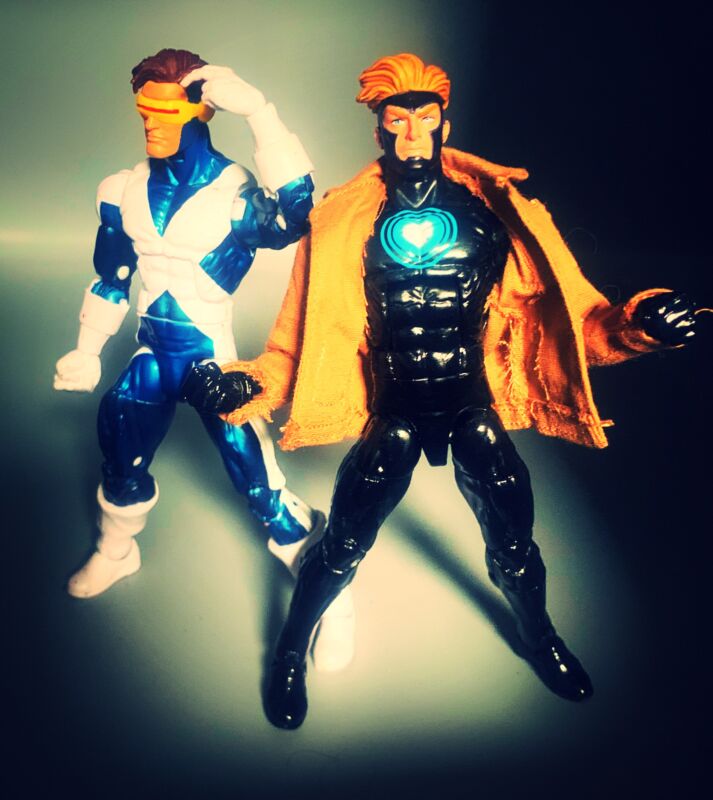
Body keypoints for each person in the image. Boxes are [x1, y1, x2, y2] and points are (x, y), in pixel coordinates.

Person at [183, 53, 697, 728]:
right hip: (392, 410)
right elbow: (292, 347)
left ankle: (540, 637)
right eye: (396, 122)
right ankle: (288, 650)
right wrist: (242, 385)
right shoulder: (343, 222)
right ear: (378, 129)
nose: (411, 136)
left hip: (470, 404)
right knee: (340, 546)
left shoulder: (497, 212)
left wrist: (641, 325)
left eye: (424, 120)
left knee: (514, 544)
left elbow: (578, 324)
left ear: (444, 124)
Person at [54, 48, 354, 671]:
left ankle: (322, 580)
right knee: (118, 440)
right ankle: (117, 550)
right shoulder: (122, 189)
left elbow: (300, 215)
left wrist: (261, 114)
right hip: (151, 355)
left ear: (201, 110)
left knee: (256, 478)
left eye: (167, 112)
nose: (152, 124)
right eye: (144, 111)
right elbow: (112, 277)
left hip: (212, 362)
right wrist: (86, 350)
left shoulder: (236, 194)